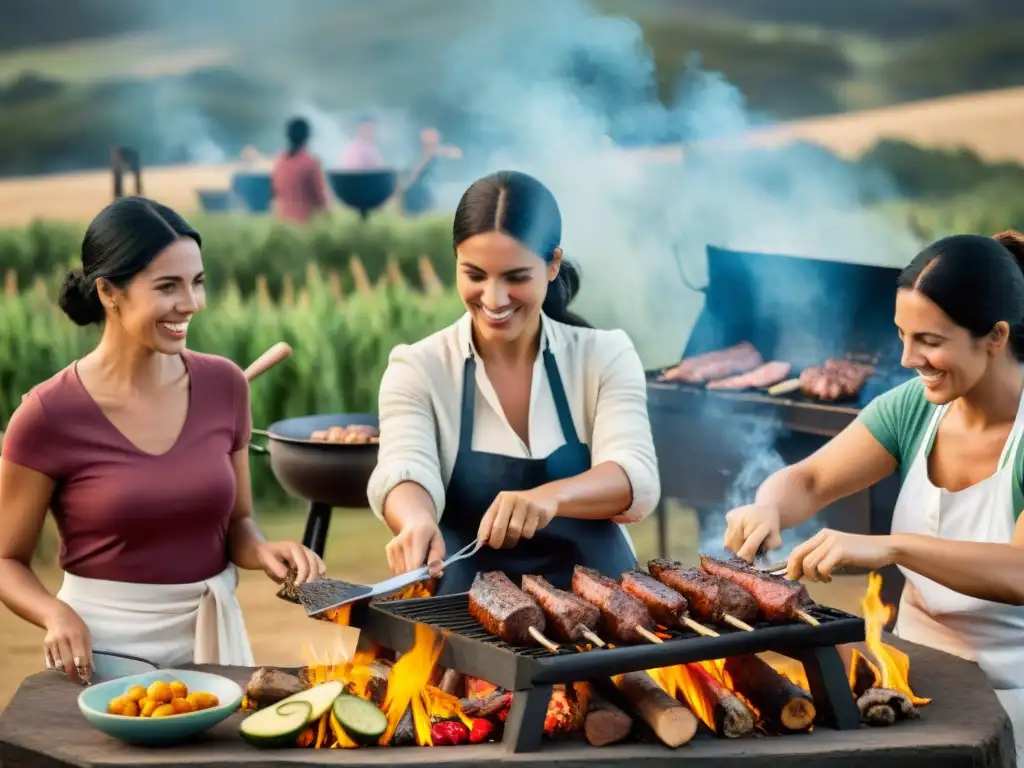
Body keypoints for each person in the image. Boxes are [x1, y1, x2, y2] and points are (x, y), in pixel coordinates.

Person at [723, 231, 1024, 761]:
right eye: (902, 336)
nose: (908, 358)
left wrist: (892, 546)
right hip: (913, 675)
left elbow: (1019, 573)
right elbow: (811, 480)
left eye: (930, 340)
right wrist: (769, 504)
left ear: (995, 336)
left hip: (1014, 694)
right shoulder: (916, 407)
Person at [0, 197, 325, 682]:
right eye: (168, 286)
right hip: (101, 649)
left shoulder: (226, 385)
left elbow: (237, 523)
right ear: (110, 291)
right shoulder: (48, 413)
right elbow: (6, 559)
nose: (191, 303)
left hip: (213, 642)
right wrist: (54, 614)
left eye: (197, 282)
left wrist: (262, 551)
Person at [367, 170, 660, 593]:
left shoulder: (603, 355)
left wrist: (549, 497)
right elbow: (403, 466)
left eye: (515, 277)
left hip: (601, 609)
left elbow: (636, 477)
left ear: (553, 264)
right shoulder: (419, 367)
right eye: (475, 274)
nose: (493, 299)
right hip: (464, 605)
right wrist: (415, 520)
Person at [271, 117, 330, 224]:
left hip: (282, 223)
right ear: (307, 137)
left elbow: (275, 191)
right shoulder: (310, 163)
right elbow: (320, 198)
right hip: (304, 224)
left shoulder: (279, 162)